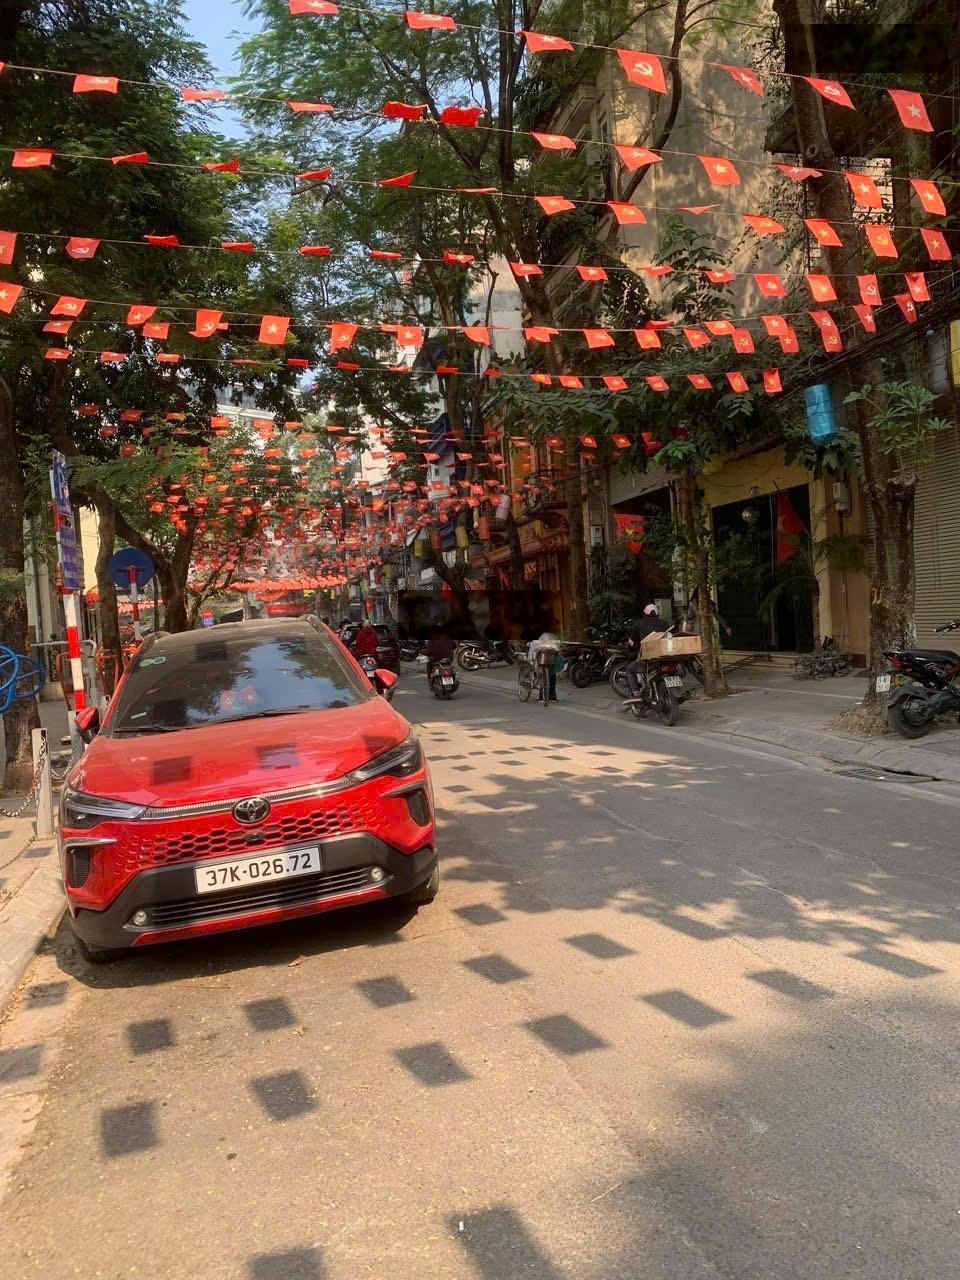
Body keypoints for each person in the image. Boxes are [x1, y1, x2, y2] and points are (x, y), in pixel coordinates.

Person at [624, 604, 669, 701]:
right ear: (657, 613)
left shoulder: (639, 624)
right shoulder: (665, 623)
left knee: (629, 670)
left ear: (645, 613)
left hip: (648, 659)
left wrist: (630, 646)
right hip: (664, 657)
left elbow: (633, 642)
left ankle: (636, 694)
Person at [527, 630, 561, 702]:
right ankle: (542, 697)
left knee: (552, 678)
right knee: (544, 678)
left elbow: (557, 644)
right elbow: (535, 646)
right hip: (540, 660)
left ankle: (552, 697)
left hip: (551, 659)